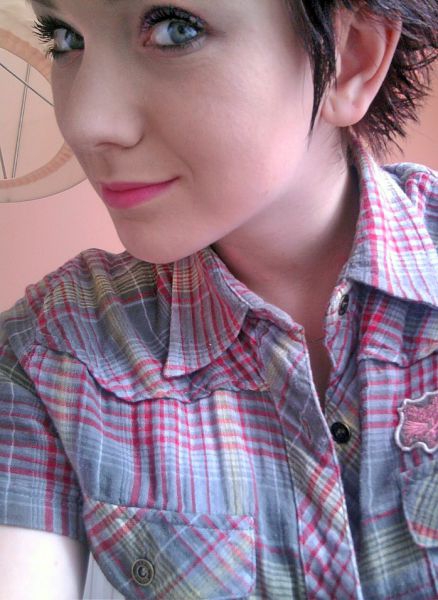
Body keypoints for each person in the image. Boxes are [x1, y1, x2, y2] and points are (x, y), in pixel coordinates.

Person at [0, 0, 437, 598]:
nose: (84, 122)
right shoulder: (52, 353)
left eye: (175, 29)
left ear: (351, 58)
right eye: (65, 38)